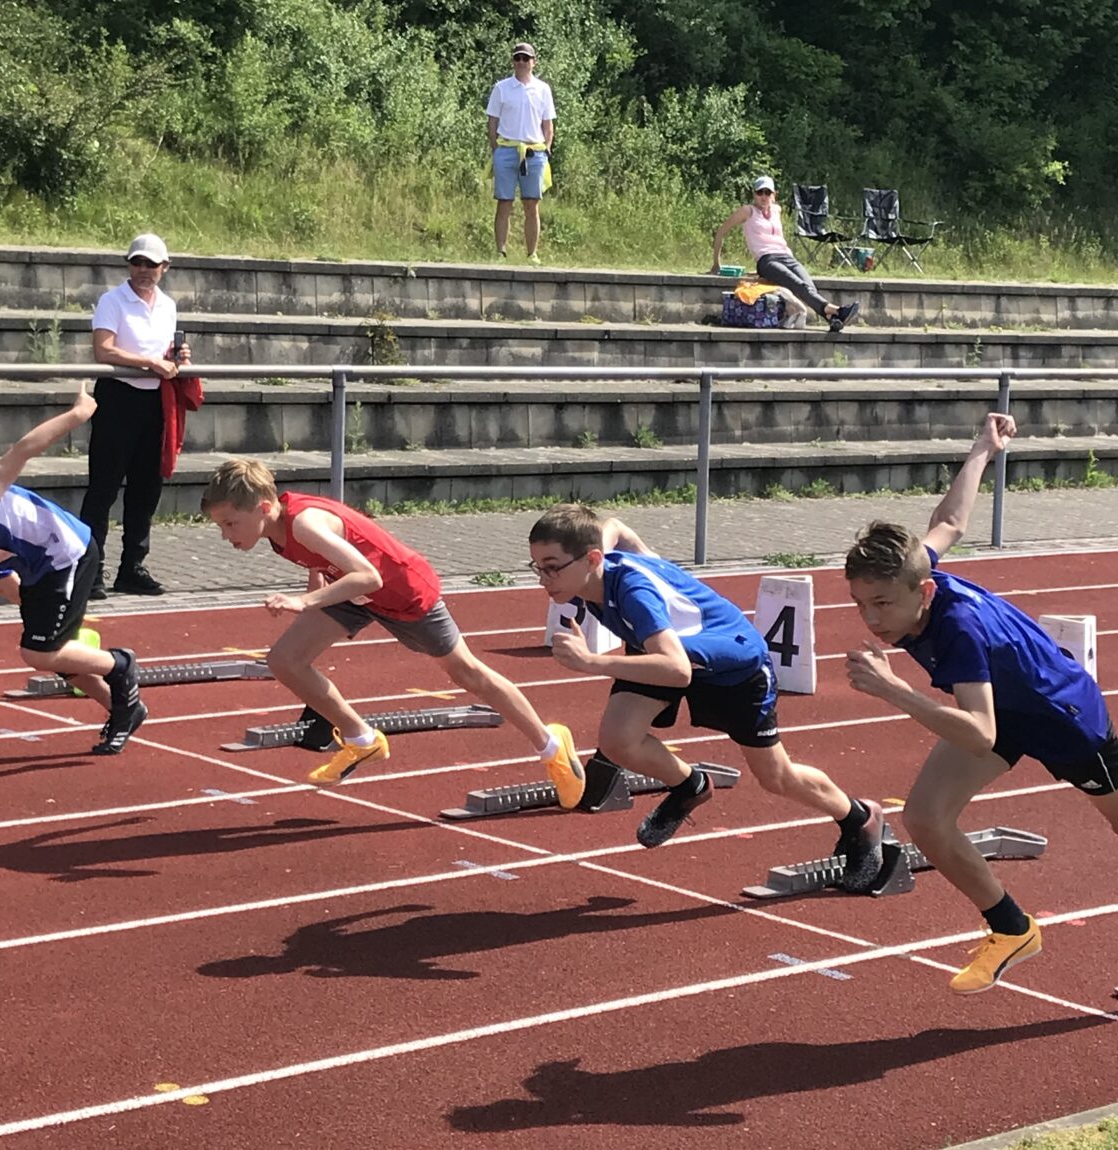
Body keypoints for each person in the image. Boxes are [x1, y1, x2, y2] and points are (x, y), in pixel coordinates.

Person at [843, 412, 1118, 994]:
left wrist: (895, 690)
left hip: (1062, 718)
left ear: (924, 592)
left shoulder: (959, 631)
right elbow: (949, 521)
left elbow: (979, 734)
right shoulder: (922, 569)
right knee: (926, 817)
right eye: (861, 603)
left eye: (883, 604)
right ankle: (1011, 928)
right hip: (1001, 708)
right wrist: (981, 450)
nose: (872, 619)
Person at [528, 504, 885, 889]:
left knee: (776, 777)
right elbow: (614, 526)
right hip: (671, 650)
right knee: (617, 740)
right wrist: (629, 548)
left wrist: (592, 662)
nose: (544, 578)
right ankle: (689, 786)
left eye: (552, 566)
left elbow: (677, 670)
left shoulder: (634, 593)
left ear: (592, 558)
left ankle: (859, 818)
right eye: (537, 566)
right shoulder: (592, 571)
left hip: (732, 665)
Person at [201, 459, 584, 789]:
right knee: (285, 660)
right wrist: (315, 588)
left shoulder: (305, 524)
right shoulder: (279, 529)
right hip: (351, 592)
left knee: (467, 673)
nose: (225, 535)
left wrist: (305, 601)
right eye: (221, 526)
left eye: (231, 524)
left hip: (403, 591)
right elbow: (323, 562)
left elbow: (370, 576)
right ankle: (361, 739)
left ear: (263, 508)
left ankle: (551, 745)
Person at [0, 383, 145, 754]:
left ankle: (119, 663)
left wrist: (78, 415)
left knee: (38, 652)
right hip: (38, 568)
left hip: (68, 552)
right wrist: (44, 619)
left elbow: (23, 450)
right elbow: (1, 582)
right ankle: (122, 708)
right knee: (51, 646)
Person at [80, 233, 190, 600]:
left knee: (146, 489)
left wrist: (177, 357)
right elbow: (103, 349)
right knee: (103, 489)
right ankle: (90, 572)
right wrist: (149, 362)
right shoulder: (112, 300)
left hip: (154, 402)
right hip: (118, 398)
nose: (143, 270)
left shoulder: (168, 306)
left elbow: (166, 355)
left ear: (165, 268)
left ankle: (132, 567)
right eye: (137, 262)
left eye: (151, 264)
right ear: (129, 265)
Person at [710, 176, 860, 332]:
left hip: (786, 257)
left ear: (774, 195)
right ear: (754, 195)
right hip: (767, 260)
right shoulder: (747, 211)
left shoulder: (777, 210)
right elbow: (721, 232)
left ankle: (831, 318)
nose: (763, 196)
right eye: (760, 192)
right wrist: (716, 263)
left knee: (809, 286)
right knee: (799, 285)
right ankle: (837, 310)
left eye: (767, 192)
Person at [486, 41, 555, 264]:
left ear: (534, 62)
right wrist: (497, 149)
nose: (522, 62)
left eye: (526, 58)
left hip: (534, 152)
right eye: (518, 58)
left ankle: (532, 253)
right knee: (504, 202)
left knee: (531, 203)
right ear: (513, 62)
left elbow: (548, 125)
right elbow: (492, 122)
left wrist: (546, 149)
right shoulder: (501, 88)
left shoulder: (543, 89)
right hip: (506, 149)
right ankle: (501, 252)